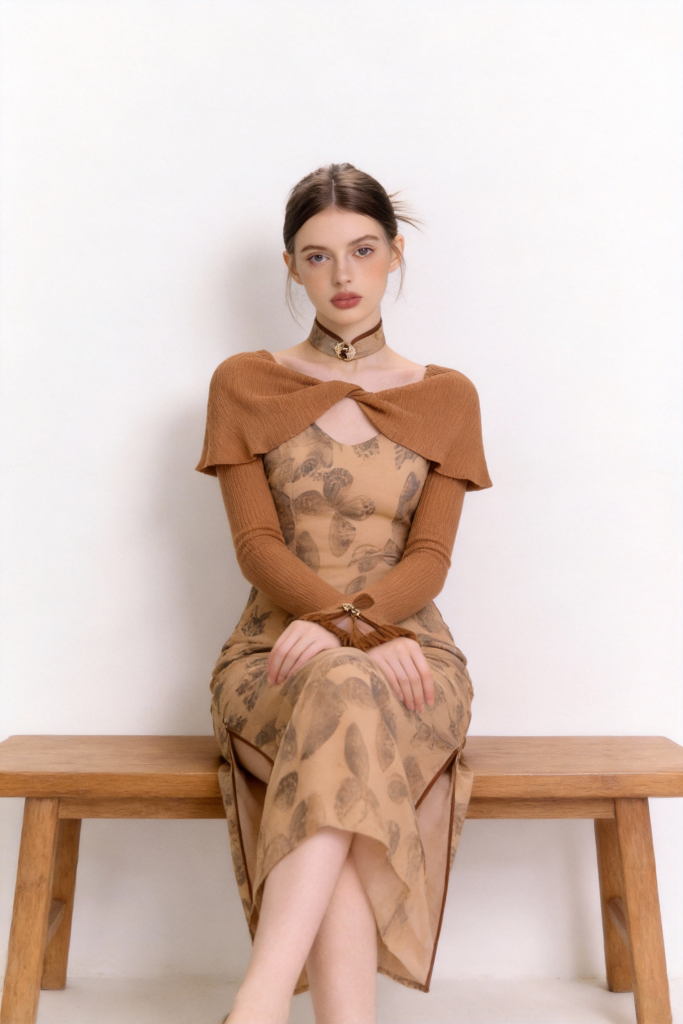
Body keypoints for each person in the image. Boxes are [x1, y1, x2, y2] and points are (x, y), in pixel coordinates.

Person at [196, 162, 492, 1024]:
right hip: (274, 655)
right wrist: (335, 628)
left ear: (394, 255)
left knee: (349, 692)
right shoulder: (246, 382)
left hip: (412, 659)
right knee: (341, 694)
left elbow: (430, 556)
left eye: (362, 250)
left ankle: (255, 1005)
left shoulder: (445, 396)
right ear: (291, 267)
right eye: (318, 256)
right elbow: (256, 547)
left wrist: (351, 628)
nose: (343, 275)